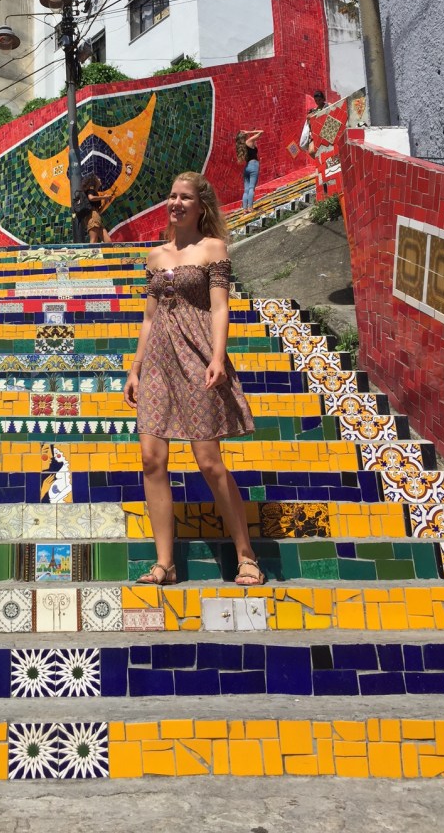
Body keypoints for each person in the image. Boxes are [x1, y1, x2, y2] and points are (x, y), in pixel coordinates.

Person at [123, 171, 264, 587]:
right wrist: (135, 368)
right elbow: (149, 318)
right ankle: (164, 563)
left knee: (208, 461)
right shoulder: (155, 257)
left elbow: (220, 308)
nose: (176, 203)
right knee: (152, 459)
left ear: (201, 206)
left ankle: (246, 556)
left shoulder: (213, 248)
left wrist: (218, 357)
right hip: (158, 363)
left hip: (197, 357)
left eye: (185, 197)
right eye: (172, 195)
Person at [235, 129, 263, 211]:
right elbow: (261, 132)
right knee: (251, 188)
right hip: (253, 165)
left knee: (246, 190)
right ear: (244, 135)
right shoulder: (249, 141)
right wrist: (249, 132)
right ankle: (250, 207)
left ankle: (245, 209)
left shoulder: (241, 146)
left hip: (247, 167)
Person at [82, 174, 114, 244]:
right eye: (98, 178)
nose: (99, 179)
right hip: (92, 217)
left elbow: (98, 211)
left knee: (108, 242)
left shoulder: (95, 192)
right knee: (93, 240)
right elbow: (91, 198)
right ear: (94, 181)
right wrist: (104, 197)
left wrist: (105, 202)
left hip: (96, 216)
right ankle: (90, 251)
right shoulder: (91, 190)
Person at [299, 90, 327, 156]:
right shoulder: (314, 111)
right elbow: (310, 123)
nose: (318, 102)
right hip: (316, 134)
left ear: (323, 99)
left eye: (319, 100)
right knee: (311, 152)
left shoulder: (327, 106)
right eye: (316, 101)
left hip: (325, 131)